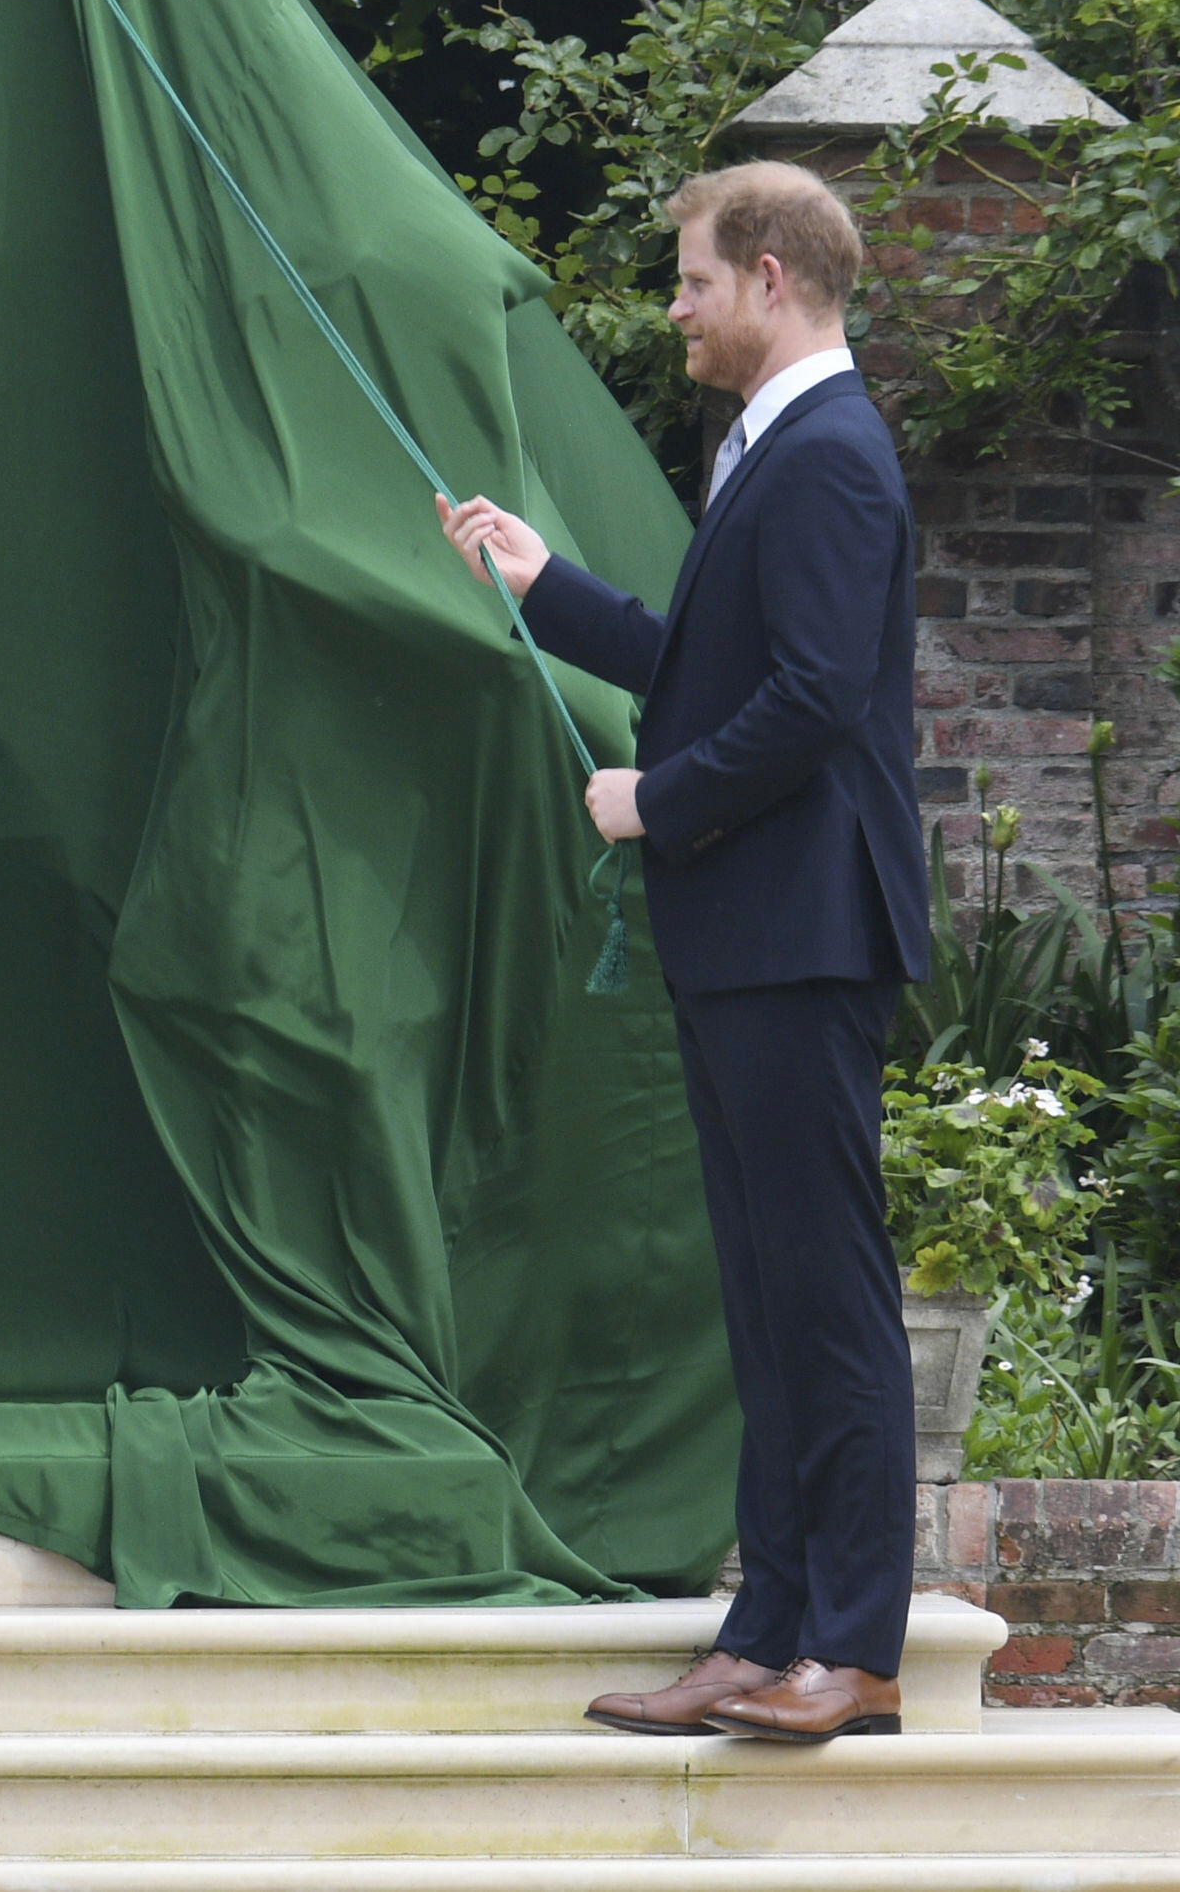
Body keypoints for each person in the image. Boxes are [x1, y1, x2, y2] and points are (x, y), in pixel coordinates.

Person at [439, 160, 930, 1743]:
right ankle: (764, 1628)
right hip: (748, 936)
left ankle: (848, 1649)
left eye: (694, 280)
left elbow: (812, 704)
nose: (678, 306)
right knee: (768, 1298)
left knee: (827, 1297)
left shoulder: (834, 454)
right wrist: (548, 589)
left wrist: (653, 800)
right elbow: (711, 666)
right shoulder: (763, 448)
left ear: (772, 278)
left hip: (801, 931)